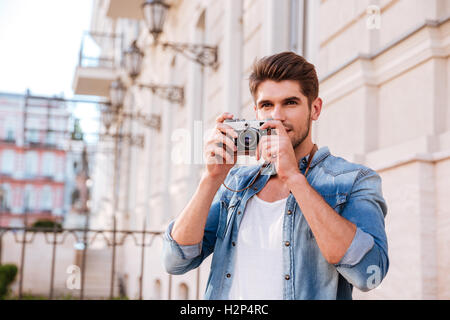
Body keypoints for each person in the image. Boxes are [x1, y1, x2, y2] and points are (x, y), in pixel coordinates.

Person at [162, 51, 389, 300]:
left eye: (290, 103)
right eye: (266, 105)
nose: (276, 116)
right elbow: (176, 260)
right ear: (256, 112)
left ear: (315, 108)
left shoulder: (354, 180)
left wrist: (294, 178)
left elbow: (369, 274)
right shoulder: (236, 183)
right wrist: (211, 179)